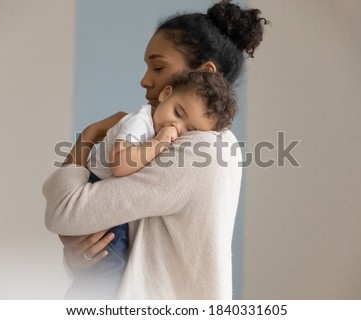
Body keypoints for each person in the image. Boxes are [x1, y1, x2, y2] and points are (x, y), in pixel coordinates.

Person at [44, 0, 268, 299]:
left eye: (159, 66)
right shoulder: (186, 141)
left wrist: (90, 135)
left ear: (206, 72)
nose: (145, 80)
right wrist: (82, 258)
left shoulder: (202, 150)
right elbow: (133, 246)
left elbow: (64, 211)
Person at [66, 70, 237, 299]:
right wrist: (158, 143)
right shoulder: (139, 121)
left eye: (191, 130)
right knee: (106, 275)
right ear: (166, 94)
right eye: (178, 113)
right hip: (98, 186)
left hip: (112, 201)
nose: (177, 127)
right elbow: (120, 164)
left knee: (108, 271)